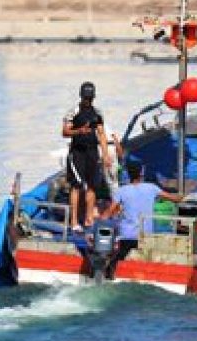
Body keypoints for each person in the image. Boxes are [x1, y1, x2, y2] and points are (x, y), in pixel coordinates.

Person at [102, 159, 183, 261]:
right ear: (141, 173)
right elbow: (175, 199)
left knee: (120, 260)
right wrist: (184, 197)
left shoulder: (122, 191)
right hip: (145, 236)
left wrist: (99, 221)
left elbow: (109, 212)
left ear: (128, 174)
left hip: (127, 236)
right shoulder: (152, 188)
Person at [62, 81, 111, 231]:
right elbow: (65, 132)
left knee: (92, 185)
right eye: (86, 98)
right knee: (76, 186)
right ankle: (74, 221)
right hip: (77, 152)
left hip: (92, 152)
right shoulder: (73, 112)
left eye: (90, 98)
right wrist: (79, 131)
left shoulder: (97, 113)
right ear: (81, 97)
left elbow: (101, 134)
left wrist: (105, 154)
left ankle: (89, 219)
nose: (88, 101)